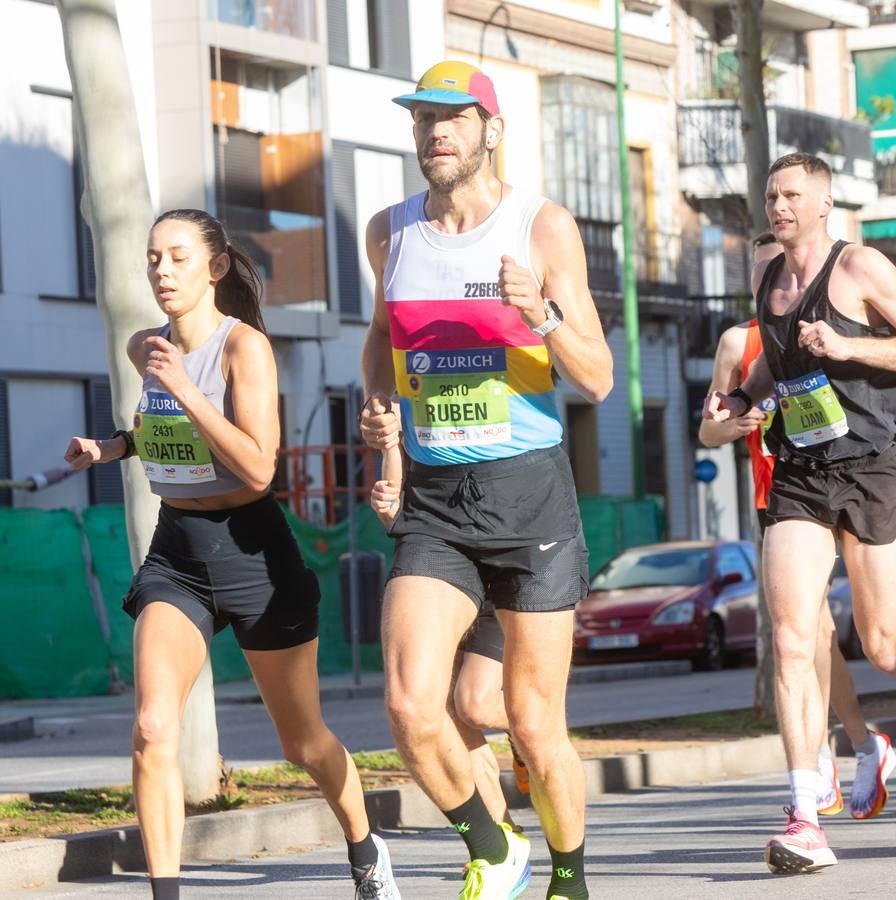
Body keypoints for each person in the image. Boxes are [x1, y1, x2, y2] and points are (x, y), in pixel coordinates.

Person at [62, 208, 399, 900]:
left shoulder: (243, 349)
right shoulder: (143, 347)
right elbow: (156, 428)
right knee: (153, 726)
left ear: (215, 268)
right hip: (177, 554)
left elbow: (256, 468)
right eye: (154, 258)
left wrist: (185, 386)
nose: (162, 271)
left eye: (179, 257)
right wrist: (113, 446)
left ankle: (364, 847)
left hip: (253, 553)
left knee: (302, 743)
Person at [358, 60, 612, 899]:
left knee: (529, 724)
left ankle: (568, 879)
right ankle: (494, 846)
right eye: (423, 118)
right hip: (434, 501)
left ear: (489, 130)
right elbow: (381, 337)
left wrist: (540, 314)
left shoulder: (540, 228)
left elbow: (599, 379)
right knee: (409, 704)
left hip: (528, 494)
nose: (435, 132)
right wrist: (382, 419)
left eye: (453, 118)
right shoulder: (388, 232)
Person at [705, 152, 896, 874]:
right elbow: (779, 362)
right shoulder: (767, 279)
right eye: (771, 195)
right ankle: (803, 815)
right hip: (799, 472)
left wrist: (850, 344)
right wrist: (739, 401)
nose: (779, 206)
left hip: (870, 466)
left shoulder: (859, 269)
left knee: (881, 644)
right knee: (794, 641)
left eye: (792, 194)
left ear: (823, 203)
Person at [698, 232, 896, 822]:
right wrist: (737, 418)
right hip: (783, 495)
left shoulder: (832, 321)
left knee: (849, 636)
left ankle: (856, 747)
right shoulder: (740, 341)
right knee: (806, 638)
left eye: (785, 268)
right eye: (767, 271)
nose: (779, 281)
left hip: (853, 479)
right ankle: (839, 757)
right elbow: (708, 429)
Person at [369, 445, 531, 826]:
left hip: (498, 585)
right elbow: (396, 510)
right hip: (442, 584)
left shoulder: (496, 446)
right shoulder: (417, 433)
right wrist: (390, 447)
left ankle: (530, 722)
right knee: (448, 714)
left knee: (473, 705)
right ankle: (502, 831)